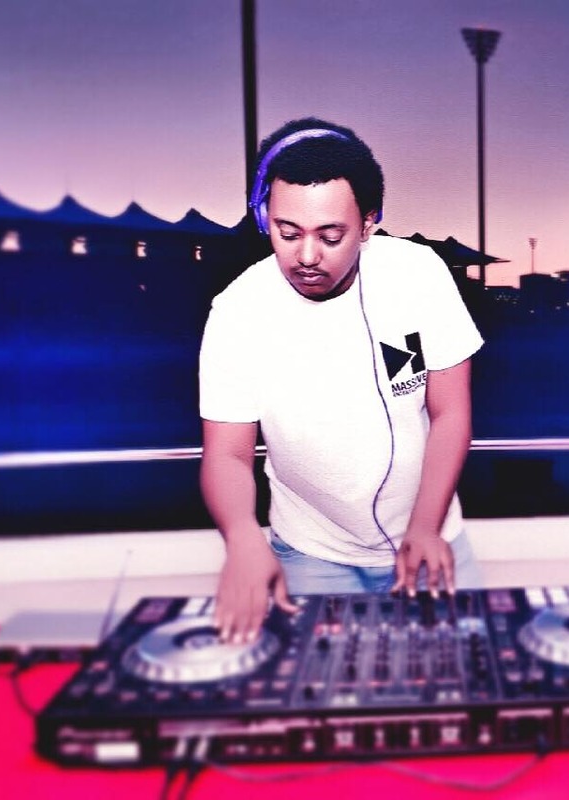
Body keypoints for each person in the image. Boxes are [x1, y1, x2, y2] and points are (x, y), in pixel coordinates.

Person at [199, 118, 484, 643]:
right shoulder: (236, 312)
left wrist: (425, 527)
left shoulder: (419, 274)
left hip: (432, 533)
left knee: (457, 676)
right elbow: (227, 454)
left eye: (331, 236)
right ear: (263, 217)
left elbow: (450, 412)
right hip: (311, 556)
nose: (307, 256)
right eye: (287, 233)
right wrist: (242, 539)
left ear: (369, 223)